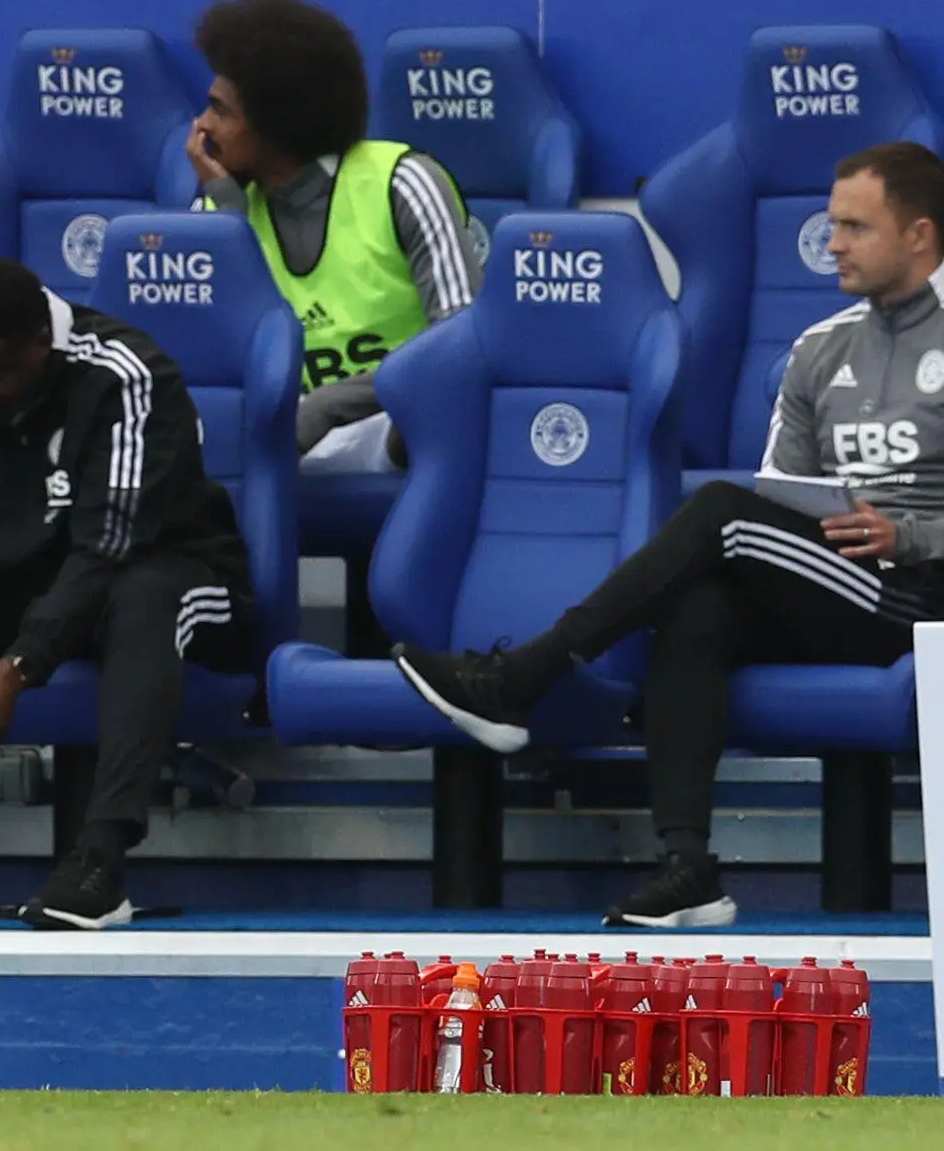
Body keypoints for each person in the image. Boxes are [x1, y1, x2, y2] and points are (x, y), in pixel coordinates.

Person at [393, 141, 944, 928]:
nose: (832, 244)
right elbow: (782, 494)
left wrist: (911, 534)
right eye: (832, 225)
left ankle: (521, 679)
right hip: (833, 582)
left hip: (921, 597)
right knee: (701, 609)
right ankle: (689, 869)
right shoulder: (822, 349)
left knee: (719, 514)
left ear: (919, 235)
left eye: (856, 228)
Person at [0, 259, 254, 929]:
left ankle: (101, 861)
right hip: (7, 580)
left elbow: (106, 549)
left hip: (163, 571)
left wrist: (18, 667)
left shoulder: (124, 374)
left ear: (40, 343)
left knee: (148, 600)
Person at [187, 0, 482, 468]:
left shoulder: (402, 181)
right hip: (269, 433)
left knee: (434, 419)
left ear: (275, 123)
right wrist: (226, 217)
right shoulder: (217, 205)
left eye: (219, 110)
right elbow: (211, 354)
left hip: (392, 425)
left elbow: (463, 342)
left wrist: (327, 406)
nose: (200, 127)